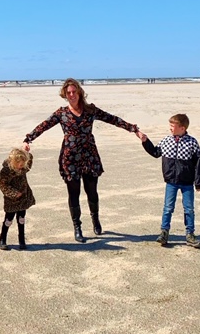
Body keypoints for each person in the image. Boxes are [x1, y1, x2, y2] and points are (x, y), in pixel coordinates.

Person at [22, 78, 141, 243]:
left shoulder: (90, 110)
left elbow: (112, 119)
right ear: (65, 94)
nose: (71, 95)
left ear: (79, 92)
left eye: (74, 92)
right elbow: (44, 125)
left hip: (89, 156)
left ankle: (95, 219)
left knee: (92, 191)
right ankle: (77, 227)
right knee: (74, 193)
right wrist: (28, 139)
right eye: (68, 93)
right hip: (70, 158)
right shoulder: (61, 113)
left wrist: (133, 129)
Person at [138, 114, 200, 248]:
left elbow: (199, 163)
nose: (170, 128)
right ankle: (164, 232)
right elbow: (156, 152)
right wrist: (145, 141)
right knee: (168, 208)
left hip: (187, 182)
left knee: (189, 209)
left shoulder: (192, 142)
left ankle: (190, 234)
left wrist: (199, 182)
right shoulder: (166, 140)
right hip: (171, 181)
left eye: (172, 126)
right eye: (170, 126)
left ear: (182, 128)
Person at [0, 147, 36, 250]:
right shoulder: (6, 171)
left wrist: (27, 152)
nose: (22, 166)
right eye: (20, 164)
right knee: (8, 220)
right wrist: (14, 193)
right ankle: (3, 239)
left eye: (23, 163)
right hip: (12, 201)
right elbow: (3, 185)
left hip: (23, 198)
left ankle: (22, 240)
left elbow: (29, 164)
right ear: (14, 161)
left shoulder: (23, 168)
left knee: (21, 219)